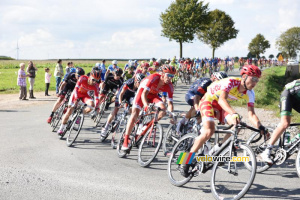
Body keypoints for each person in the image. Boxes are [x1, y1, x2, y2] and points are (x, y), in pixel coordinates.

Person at [181, 65, 266, 177]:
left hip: (220, 106)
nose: (255, 82)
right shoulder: (231, 82)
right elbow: (222, 100)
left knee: (237, 123)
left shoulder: (250, 93)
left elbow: (251, 114)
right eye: (253, 78)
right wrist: (233, 113)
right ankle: (185, 160)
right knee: (208, 131)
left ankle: (217, 149)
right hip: (208, 101)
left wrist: (261, 127)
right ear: (244, 76)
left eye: (257, 80)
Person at [121, 65, 176, 151]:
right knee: (135, 114)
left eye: (172, 76)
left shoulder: (170, 86)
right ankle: (125, 141)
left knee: (163, 109)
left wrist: (171, 115)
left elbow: (170, 103)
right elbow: (144, 94)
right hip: (142, 92)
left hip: (153, 95)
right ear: (162, 74)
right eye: (168, 75)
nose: (170, 78)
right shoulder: (153, 78)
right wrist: (146, 105)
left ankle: (147, 125)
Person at [261, 79, 300, 163]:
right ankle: (267, 151)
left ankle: (293, 140)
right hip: (288, 95)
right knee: (285, 123)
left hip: (297, 98)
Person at [100, 74, 146, 138]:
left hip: (131, 96)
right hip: (122, 94)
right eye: (139, 82)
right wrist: (120, 102)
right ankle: (106, 127)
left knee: (133, 109)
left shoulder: (141, 87)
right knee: (116, 109)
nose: (140, 84)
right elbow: (121, 94)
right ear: (136, 80)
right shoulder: (129, 83)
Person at [57, 69, 101, 135]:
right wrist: (76, 99)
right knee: (69, 111)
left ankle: (80, 115)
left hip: (84, 96)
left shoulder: (95, 86)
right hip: (76, 93)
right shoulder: (82, 78)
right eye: (93, 80)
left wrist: (97, 107)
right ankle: (61, 128)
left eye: (97, 80)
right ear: (90, 77)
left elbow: (97, 98)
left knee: (92, 105)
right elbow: (76, 89)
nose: (95, 82)